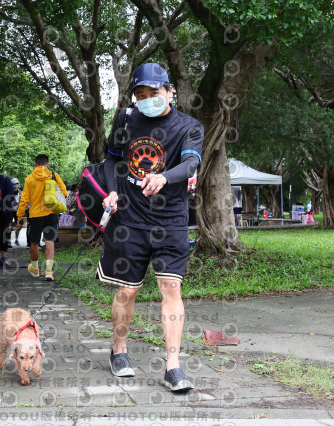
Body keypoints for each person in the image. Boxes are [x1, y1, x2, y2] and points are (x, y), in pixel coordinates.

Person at [99, 63, 203, 393]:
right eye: (140, 94)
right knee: (127, 290)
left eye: (154, 93)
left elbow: (190, 163)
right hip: (129, 218)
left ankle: (173, 366)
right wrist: (112, 190)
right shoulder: (126, 119)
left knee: (171, 288)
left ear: (170, 91)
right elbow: (112, 159)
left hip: (170, 220)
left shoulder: (189, 126)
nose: (147, 99)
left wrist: (164, 177)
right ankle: (119, 350)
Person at [16, 154, 67, 280]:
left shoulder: (29, 179)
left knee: (34, 242)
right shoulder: (54, 176)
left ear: (35, 164)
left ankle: (35, 269)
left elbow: (24, 200)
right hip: (52, 213)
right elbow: (65, 193)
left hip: (35, 215)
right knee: (49, 241)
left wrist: (19, 216)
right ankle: (48, 271)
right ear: (47, 164)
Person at [10, 178, 22, 246]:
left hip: (18, 211)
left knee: (19, 225)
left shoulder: (20, 192)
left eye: (16, 184)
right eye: (13, 184)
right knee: (9, 225)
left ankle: (16, 239)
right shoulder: (9, 192)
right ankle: (8, 240)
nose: (15, 185)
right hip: (10, 211)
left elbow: (23, 202)